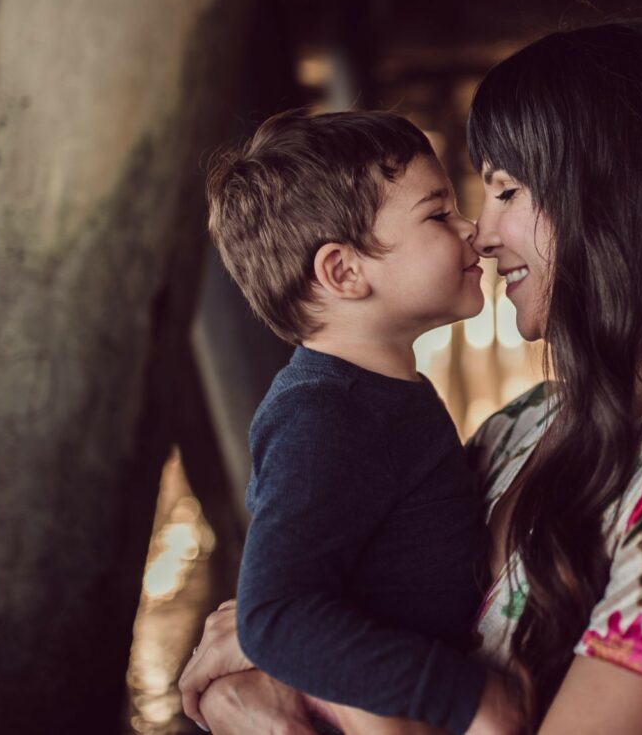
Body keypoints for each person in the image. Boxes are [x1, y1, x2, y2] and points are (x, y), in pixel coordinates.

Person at [181, 22, 642, 735]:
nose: (481, 234)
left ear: (615, 201)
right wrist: (272, 664)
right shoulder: (520, 426)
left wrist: (270, 704)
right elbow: (325, 613)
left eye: (506, 191)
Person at [181, 108, 520, 735]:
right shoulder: (323, 417)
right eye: (438, 213)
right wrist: (469, 699)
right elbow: (275, 615)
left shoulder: (372, 394)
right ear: (344, 272)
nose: (473, 229)